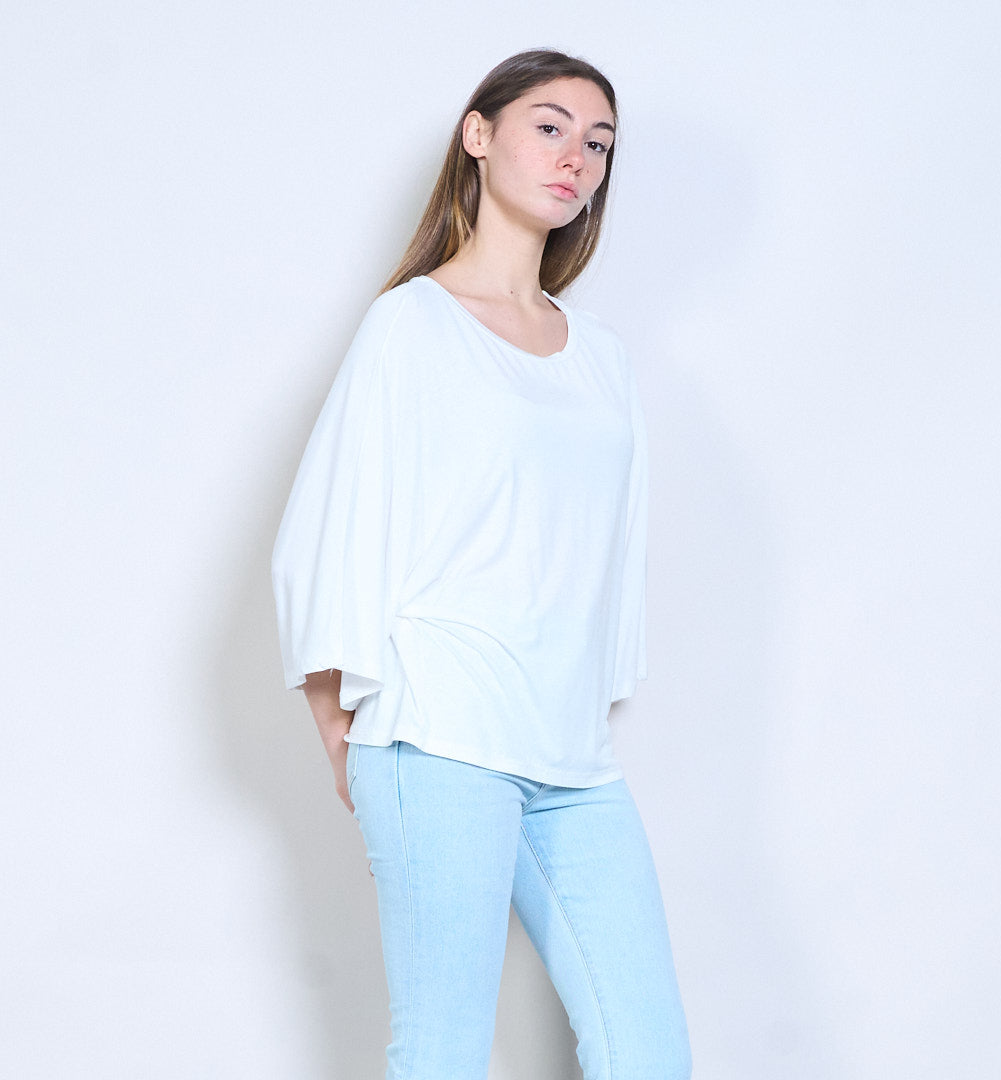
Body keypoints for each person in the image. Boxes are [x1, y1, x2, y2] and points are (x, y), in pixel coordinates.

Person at [271, 48, 693, 1080]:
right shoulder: (412, 324)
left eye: (598, 143)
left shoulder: (600, 356)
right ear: (478, 134)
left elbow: (608, 546)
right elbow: (331, 520)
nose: (576, 158)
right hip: (440, 734)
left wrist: (591, 695)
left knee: (648, 1052)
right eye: (549, 127)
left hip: (570, 754)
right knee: (444, 1050)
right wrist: (338, 724)